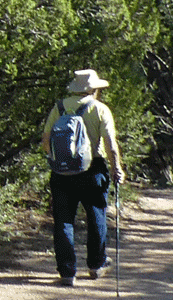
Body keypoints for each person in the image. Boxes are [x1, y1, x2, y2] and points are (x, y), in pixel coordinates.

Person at [37, 68, 126, 286]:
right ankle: (96, 265)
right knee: (96, 215)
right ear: (94, 89)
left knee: (63, 219)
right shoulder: (100, 110)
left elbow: (45, 141)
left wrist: (57, 160)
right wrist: (117, 169)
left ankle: (67, 271)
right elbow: (111, 146)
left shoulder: (59, 108)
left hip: (61, 171)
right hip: (93, 169)